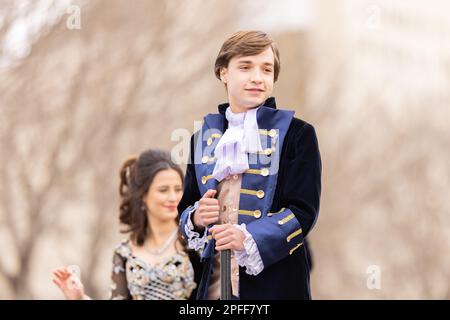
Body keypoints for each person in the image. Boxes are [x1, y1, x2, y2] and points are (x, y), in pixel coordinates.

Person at [178, 30, 322, 300]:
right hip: (213, 286)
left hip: (276, 286)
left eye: (266, 69)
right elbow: (185, 207)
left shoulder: (298, 134)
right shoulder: (202, 138)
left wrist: (247, 237)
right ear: (224, 72)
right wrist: (196, 218)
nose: (257, 77)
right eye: (245, 67)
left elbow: (303, 211)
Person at [53, 149, 201, 300]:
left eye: (178, 189)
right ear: (143, 195)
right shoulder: (124, 253)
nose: (173, 197)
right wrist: (80, 297)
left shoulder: (195, 242)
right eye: (163, 190)